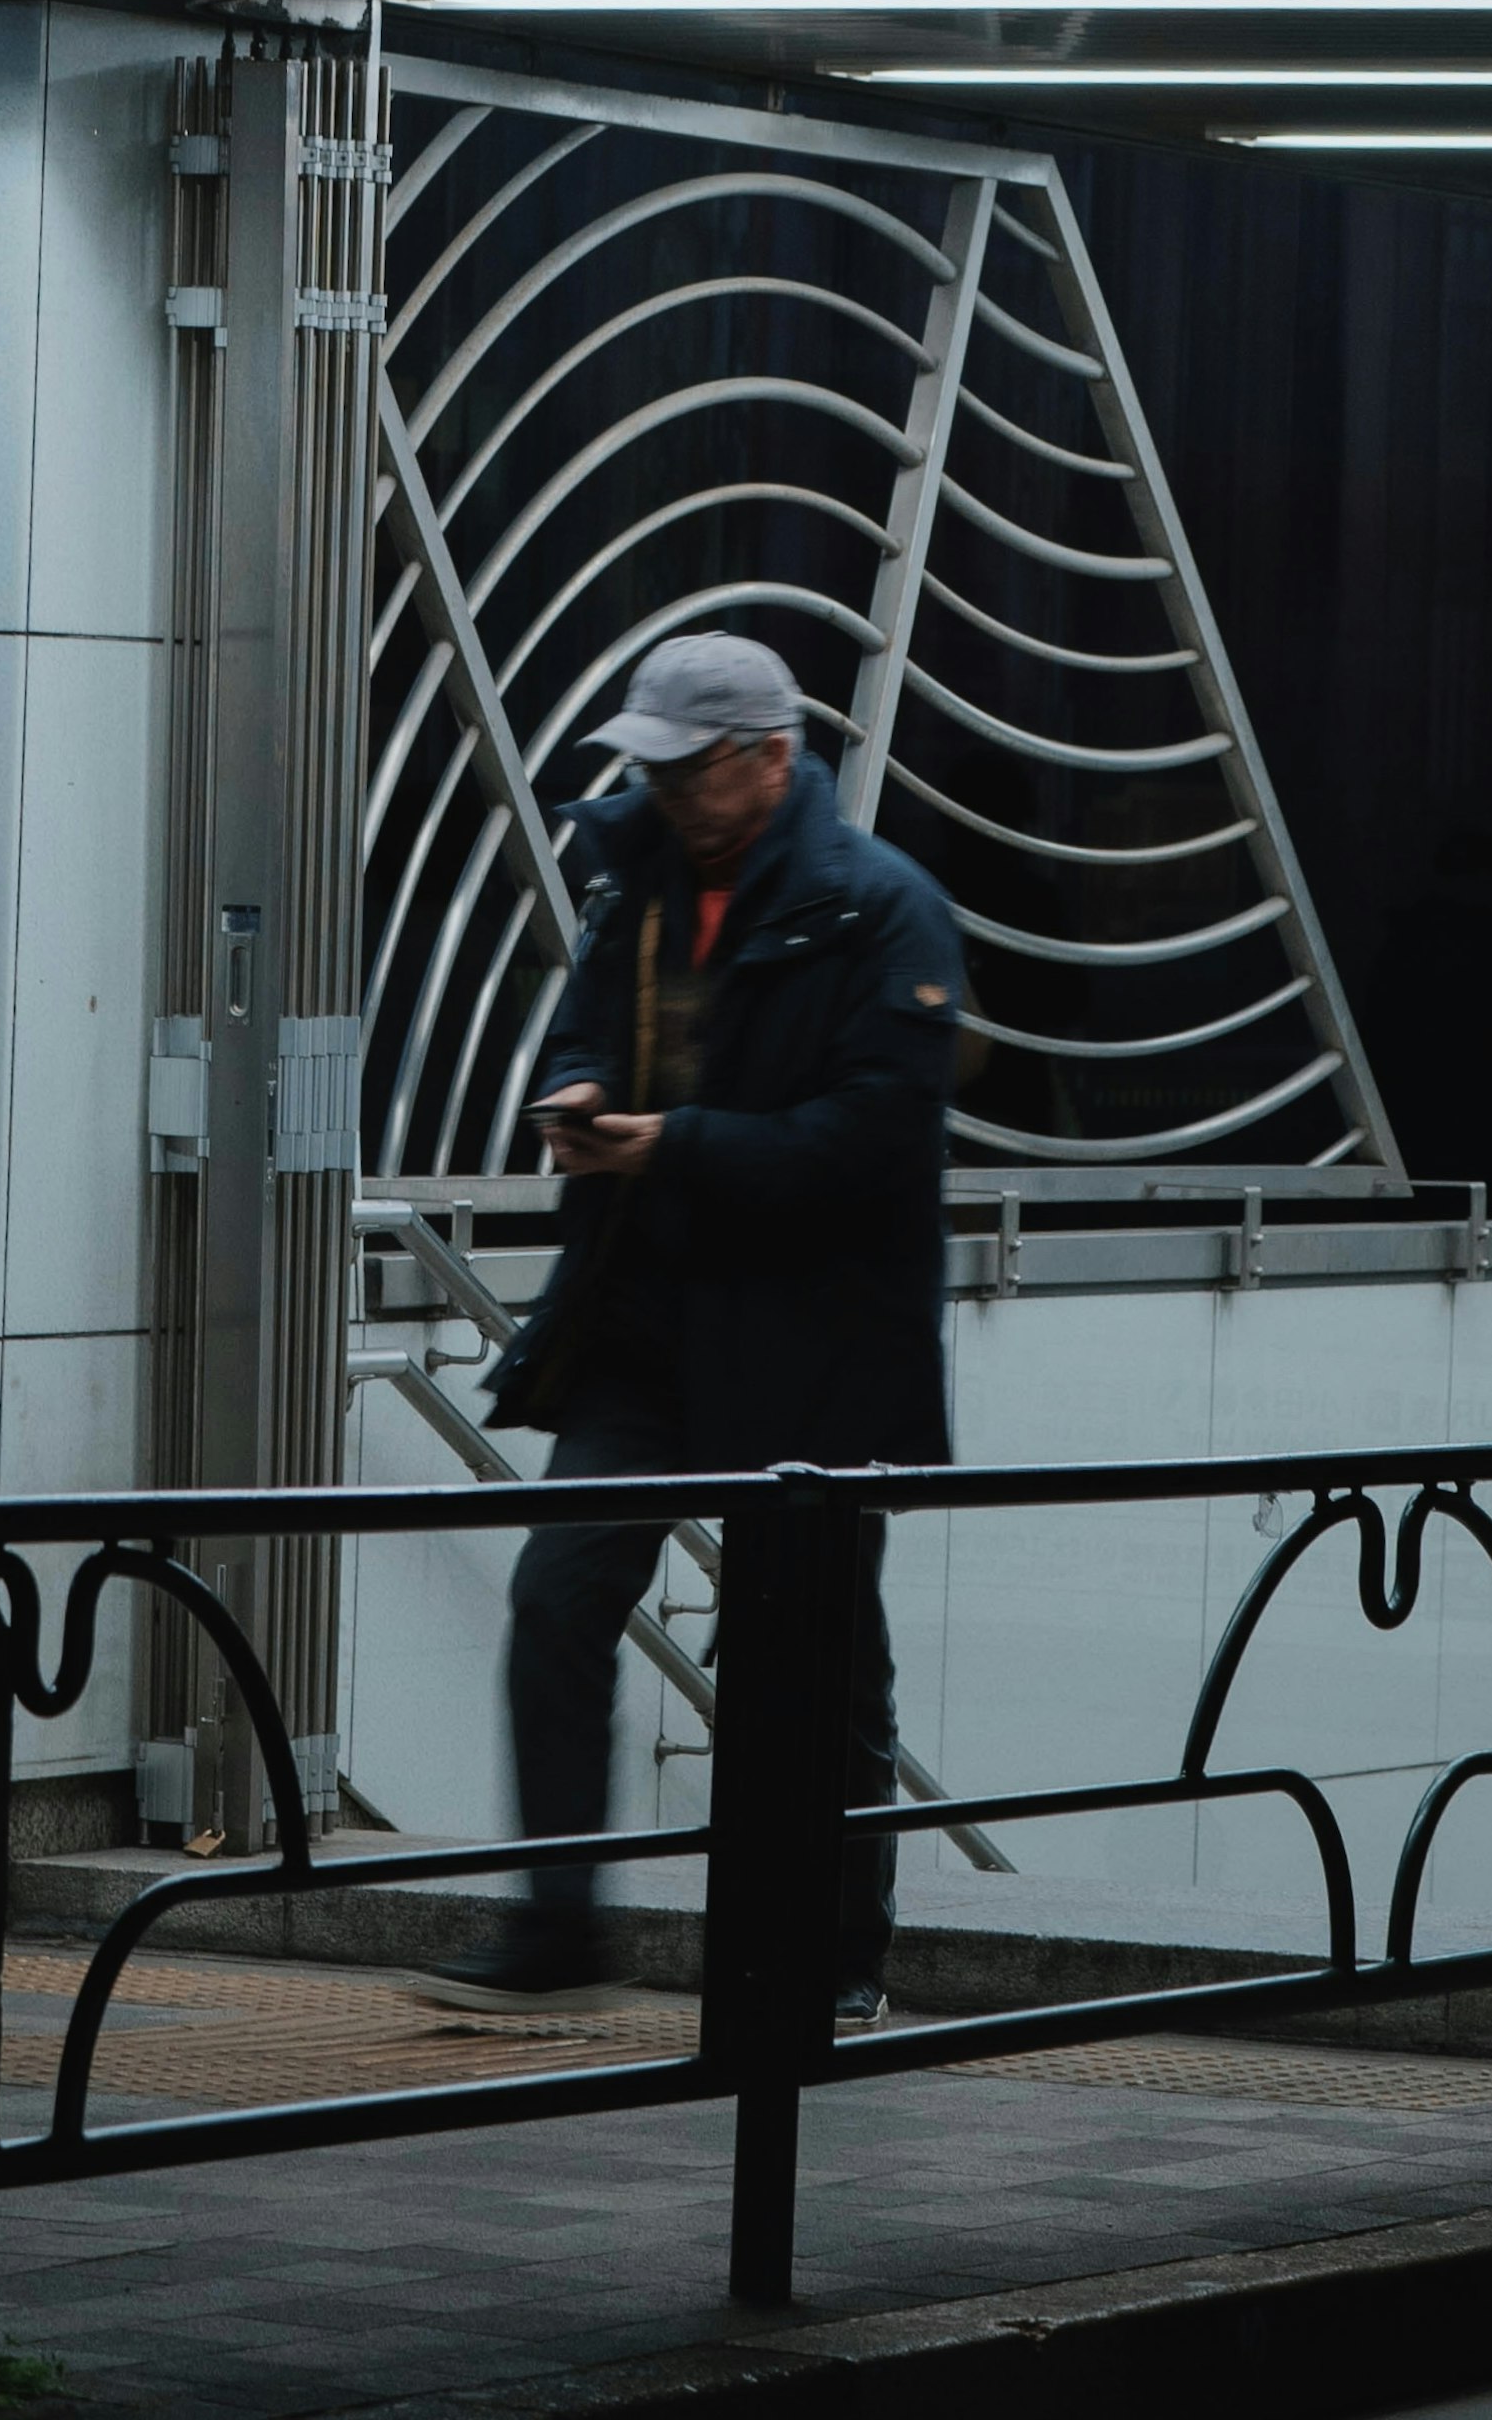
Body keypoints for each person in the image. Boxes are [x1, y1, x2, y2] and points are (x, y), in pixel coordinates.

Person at [413, 632, 964, 2029]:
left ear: (772, 761)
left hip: (815, 1338)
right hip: (646, 1325)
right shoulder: (638, 882)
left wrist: (675, 1145)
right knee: (558, 1599)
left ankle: (836, 1958)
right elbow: (583, 1029)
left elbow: (880, 1134)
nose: (661, 793)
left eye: (688, 769)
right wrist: (583, 1094)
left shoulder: (881, 911)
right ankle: (557, 1927)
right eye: (647, 767)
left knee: (826, 1663)